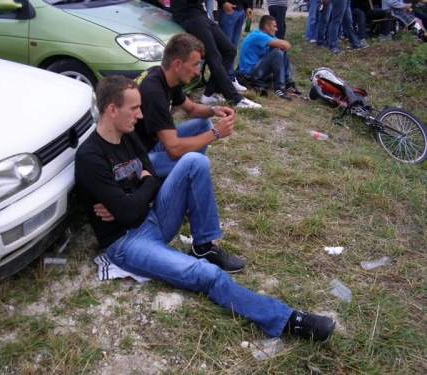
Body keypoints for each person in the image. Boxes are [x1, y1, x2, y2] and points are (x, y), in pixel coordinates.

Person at [75, 75, 337, 342]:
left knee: (194, 162)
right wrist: (137, 192)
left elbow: (151, 178)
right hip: (127, 243)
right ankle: (288, 319)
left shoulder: (128, 136)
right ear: (111, 110)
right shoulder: (91, 157)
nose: (141, 116)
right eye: (134, 109)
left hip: (152, 218)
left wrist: (132, 195)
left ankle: (202, 244)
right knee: (206, 274)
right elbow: (131, 208)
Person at [135, 34, 236, 177]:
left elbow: (192, 109)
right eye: (195, 65)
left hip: (151, 143)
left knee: (203, 124)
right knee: (198, 163)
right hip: (133, 162)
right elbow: (174, 149)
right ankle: (183, 178)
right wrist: (216, 133)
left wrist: (215, 110)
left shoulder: (165, 76)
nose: (197, 72)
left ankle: (184, 176)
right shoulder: (154, 93)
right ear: (177, 65)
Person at [170, 0, 262, 108]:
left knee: (229, 51)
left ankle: (210, 94)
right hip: (188, 16)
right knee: (214, 57)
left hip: (200, 14)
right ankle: (235, 98)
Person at [238, 15, 302, 100]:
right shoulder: (258, 36)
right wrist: (281, 46)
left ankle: (288, 84)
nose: (276, 29)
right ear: (267, 27)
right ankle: (279, 88)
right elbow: (283, 44)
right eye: (274, 26)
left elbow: (287, 44)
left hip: (257, 70)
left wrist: (282, 46)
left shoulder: (269, 37)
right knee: (277, 52)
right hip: (249, 74)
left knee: (282, 50)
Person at [217, 0, 254, 91]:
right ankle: (222, 80)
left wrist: (248, 6)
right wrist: (223, 2)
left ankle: (230, 78)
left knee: (233, 48)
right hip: (228, 9)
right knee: (225, 47)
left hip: (240, 10)